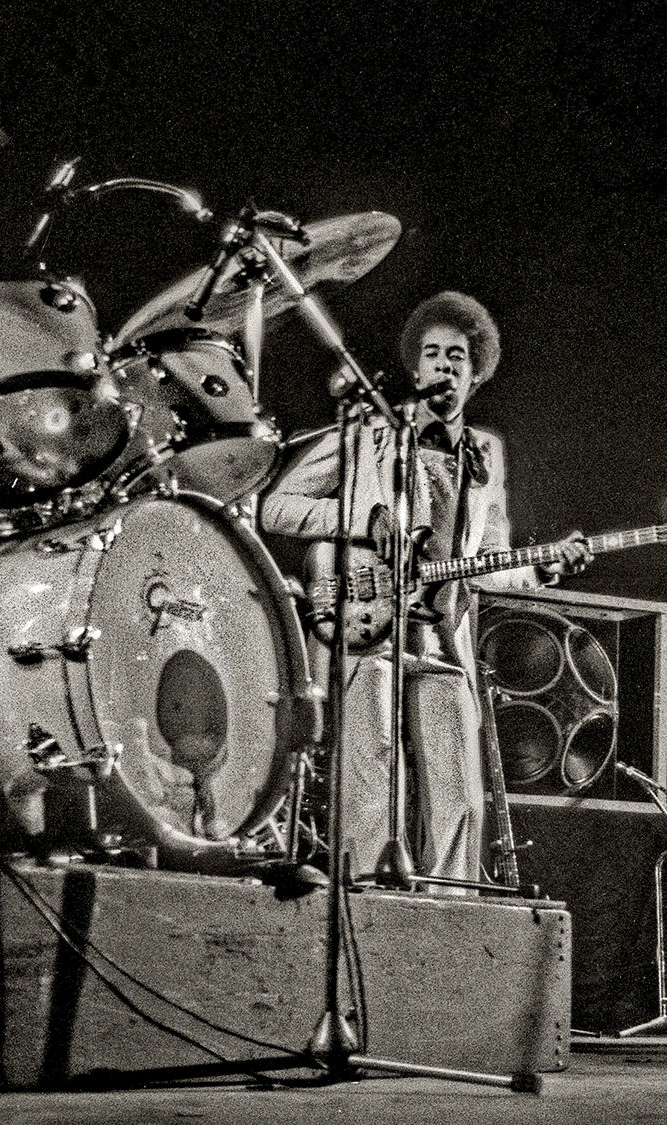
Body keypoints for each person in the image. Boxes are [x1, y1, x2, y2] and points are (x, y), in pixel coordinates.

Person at [256, 291, 590, 888]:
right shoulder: (372, 427)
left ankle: (448, 920)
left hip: (441, 639)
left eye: (458, 356)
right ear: (416, 369)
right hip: (368, 624)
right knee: (374, 783)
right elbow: (273, 506)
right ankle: (369, 905)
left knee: (460, 793)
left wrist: (543, 568)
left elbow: (485, 563)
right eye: (433, 354)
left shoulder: (487, 454)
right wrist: (364, 523)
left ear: (476, 372)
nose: (445, 365)